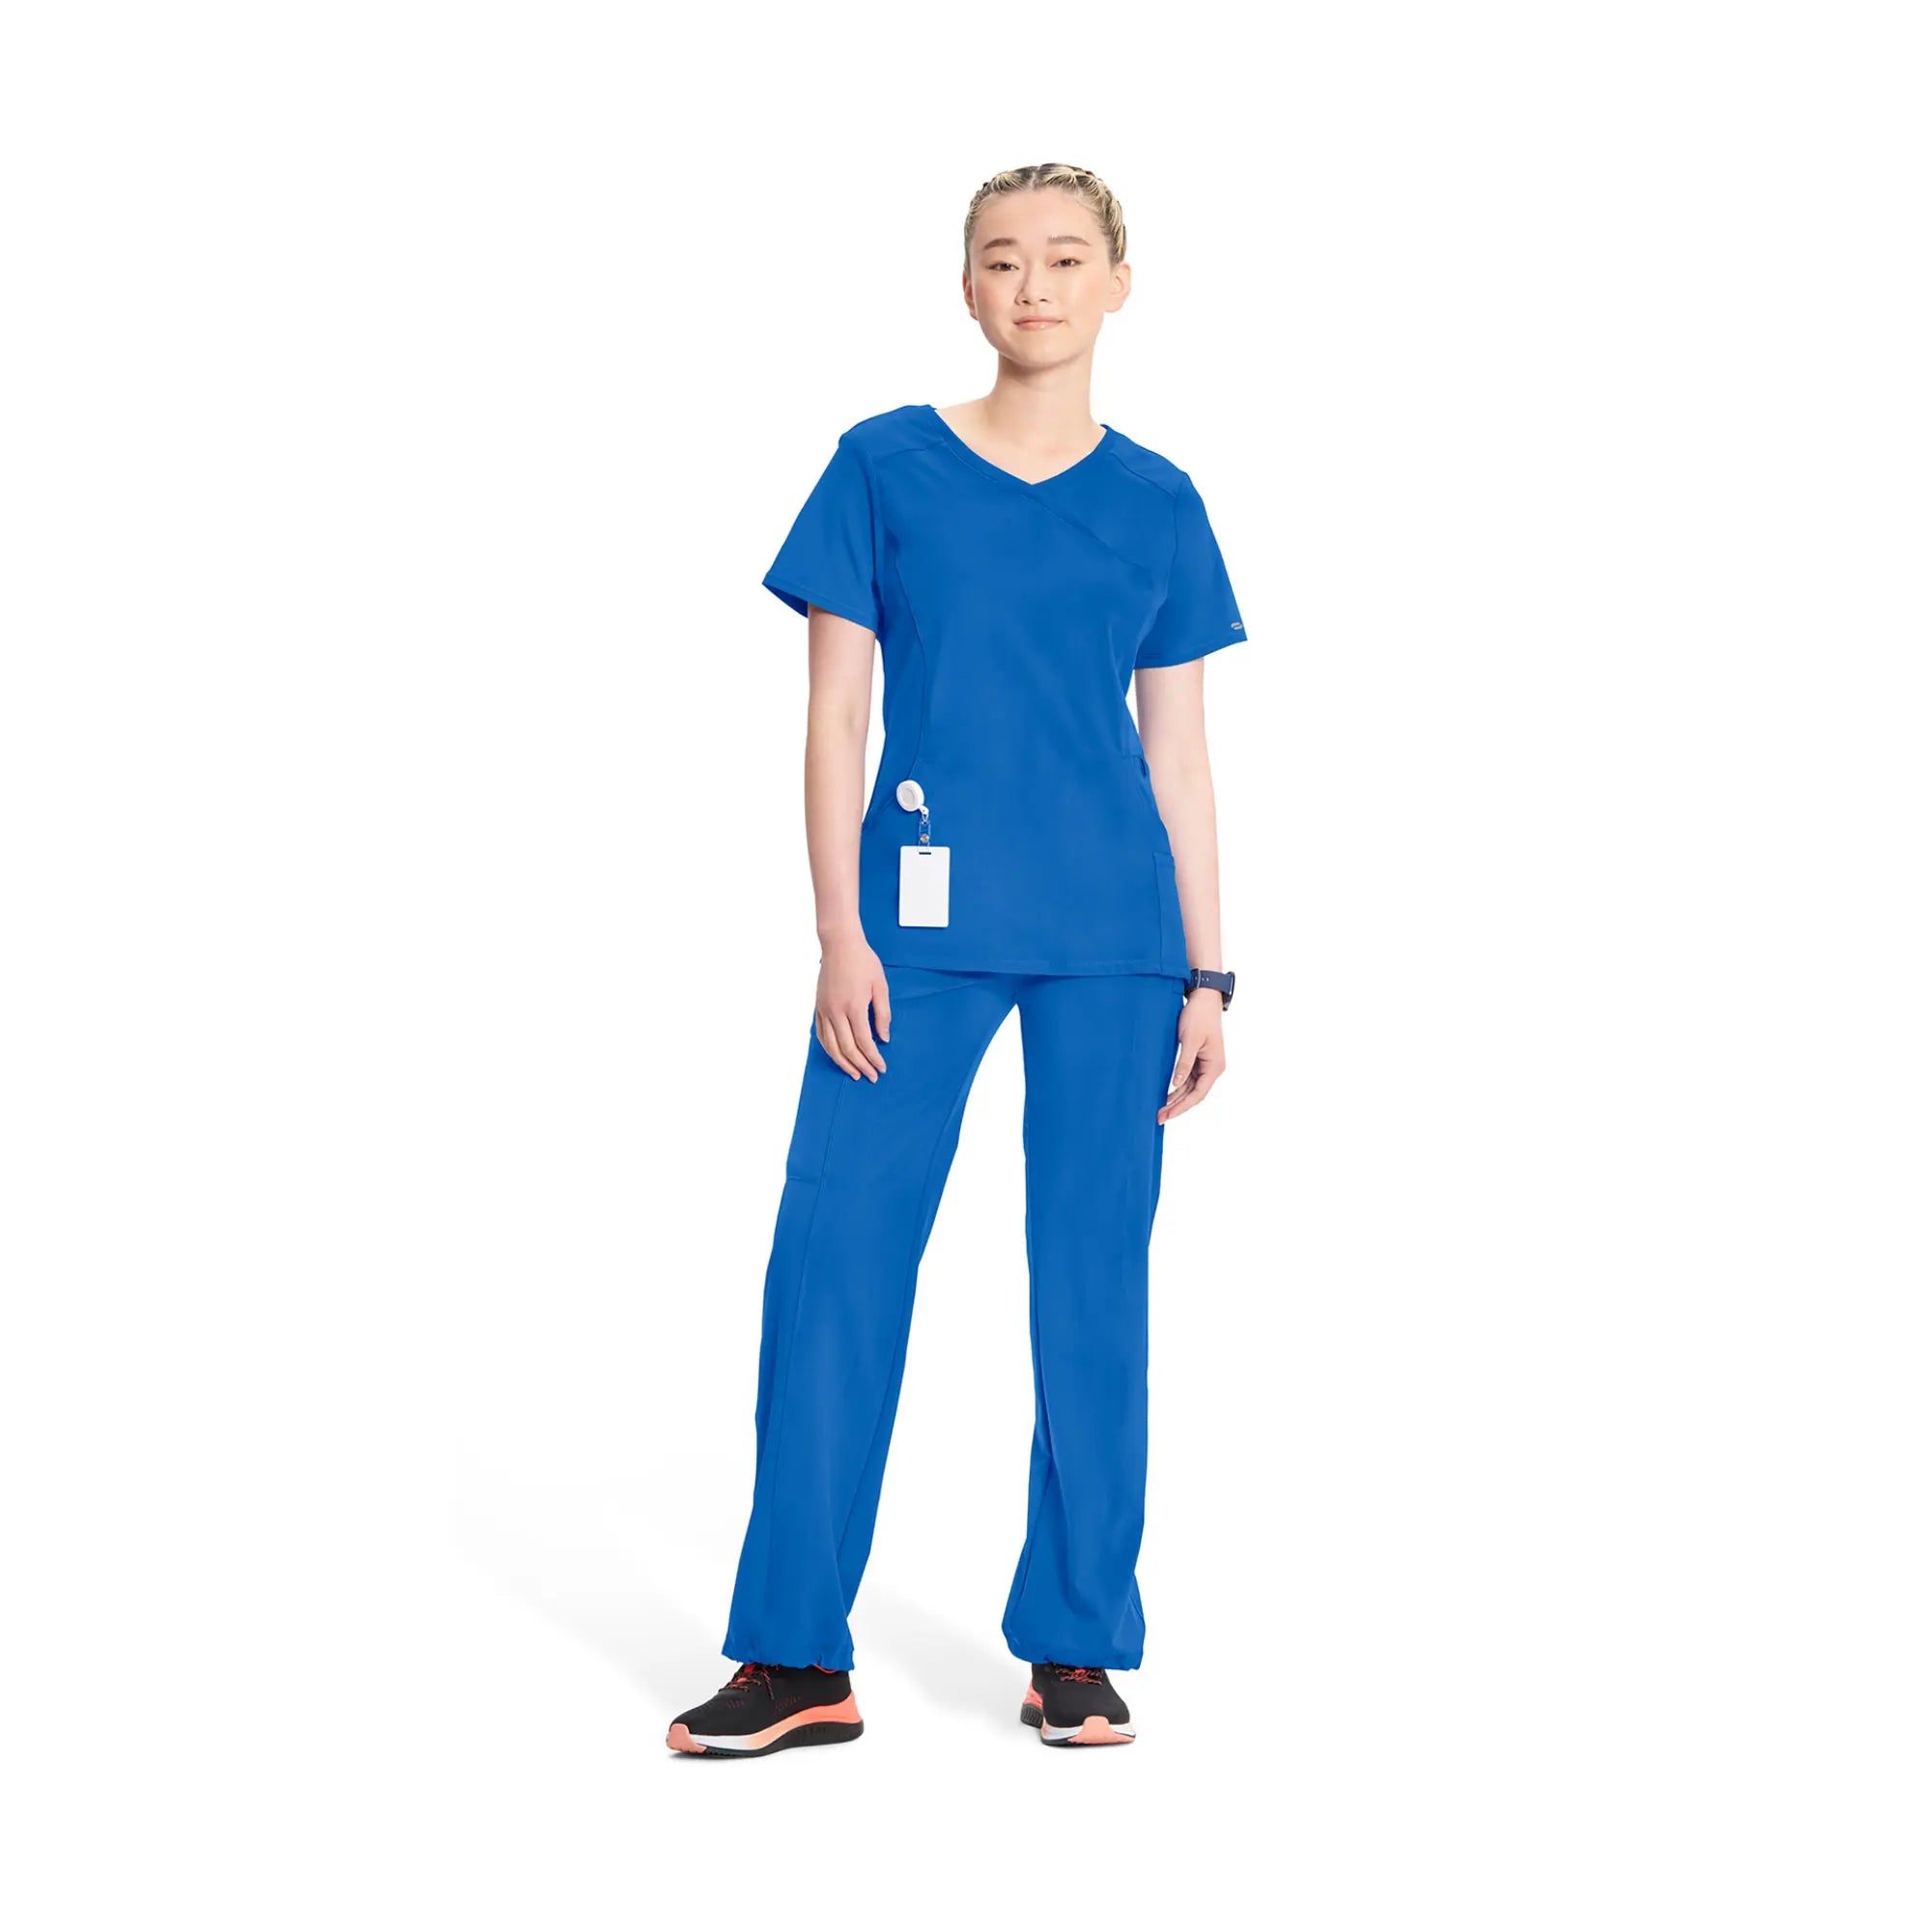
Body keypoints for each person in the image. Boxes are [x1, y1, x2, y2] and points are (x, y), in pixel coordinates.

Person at [666, 162, 1244, 1758]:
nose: (1032, 285)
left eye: (1064, 257)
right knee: (834, 1263)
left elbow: (1179, 754)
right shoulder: (882, 467)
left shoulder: (1161, 503)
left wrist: (1211, 976)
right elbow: (834, 715)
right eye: (1001, 259)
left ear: (1118, 282)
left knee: (1093, 1284)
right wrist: (838, 929)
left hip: (1116, 948)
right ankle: (795, 1656)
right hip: (907, 942)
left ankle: (1075, 1641)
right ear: (966, 286)